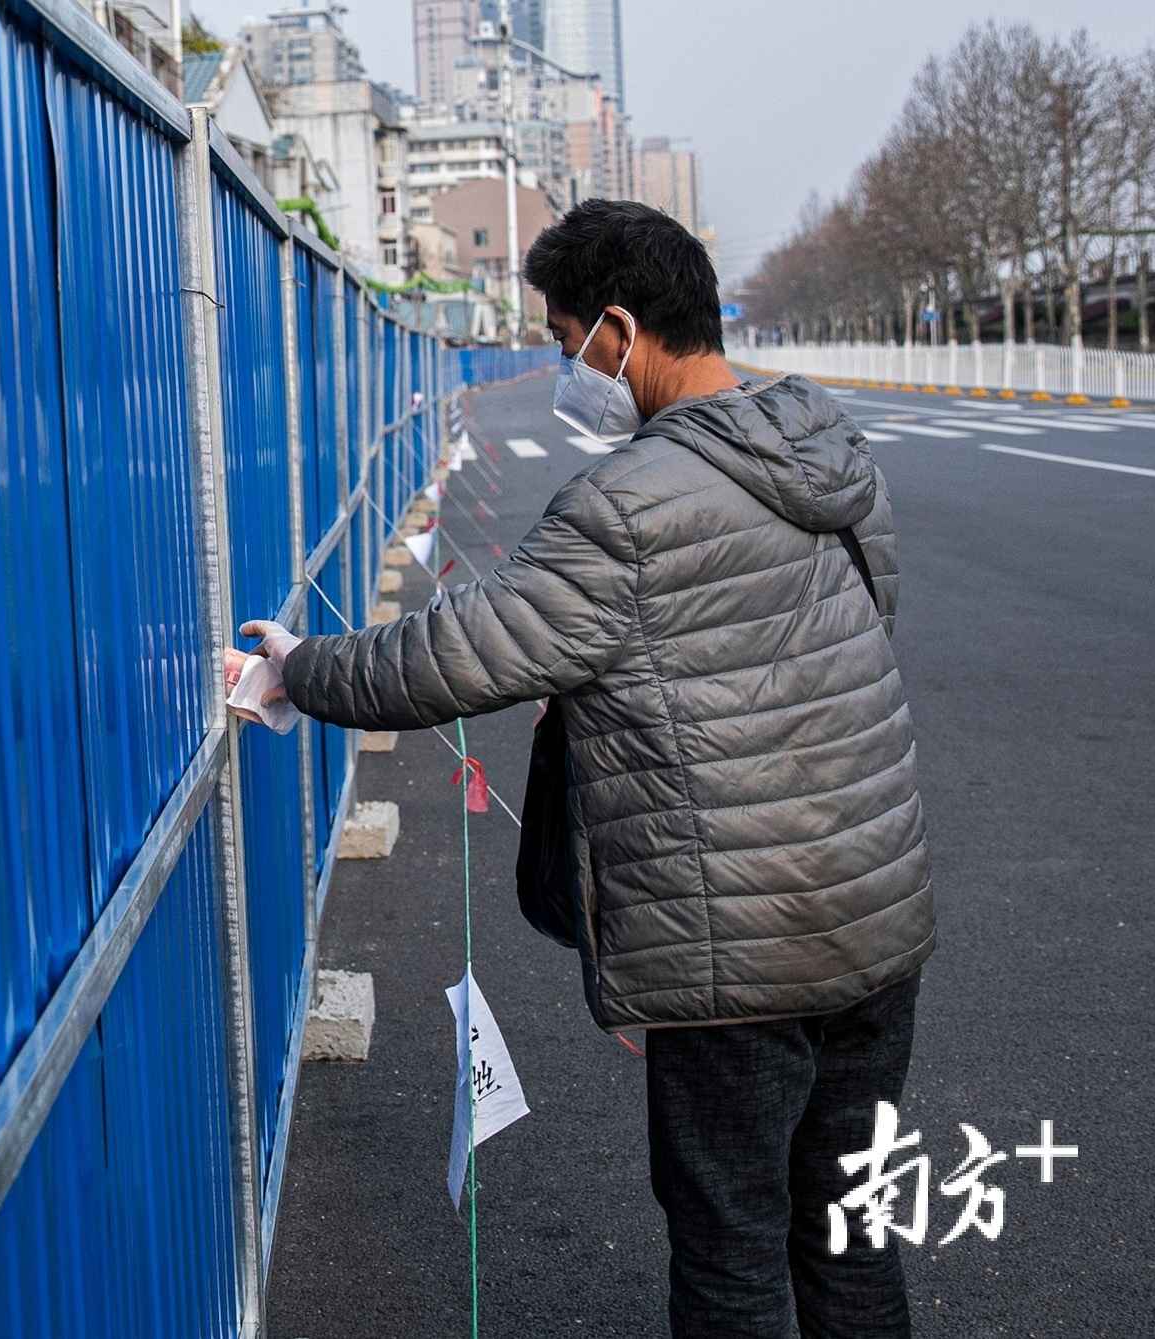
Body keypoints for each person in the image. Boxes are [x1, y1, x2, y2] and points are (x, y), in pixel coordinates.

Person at [232, 200, 934, 1338]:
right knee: (847, 1226)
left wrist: (301, 668)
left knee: (730, 1245)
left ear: (617, 331)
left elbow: (450, 655)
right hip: (876, 918)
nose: (568, 369)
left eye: (564, 345)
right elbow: (863, 629)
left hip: (739, 951)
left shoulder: (625, 507)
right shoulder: (824, 444)